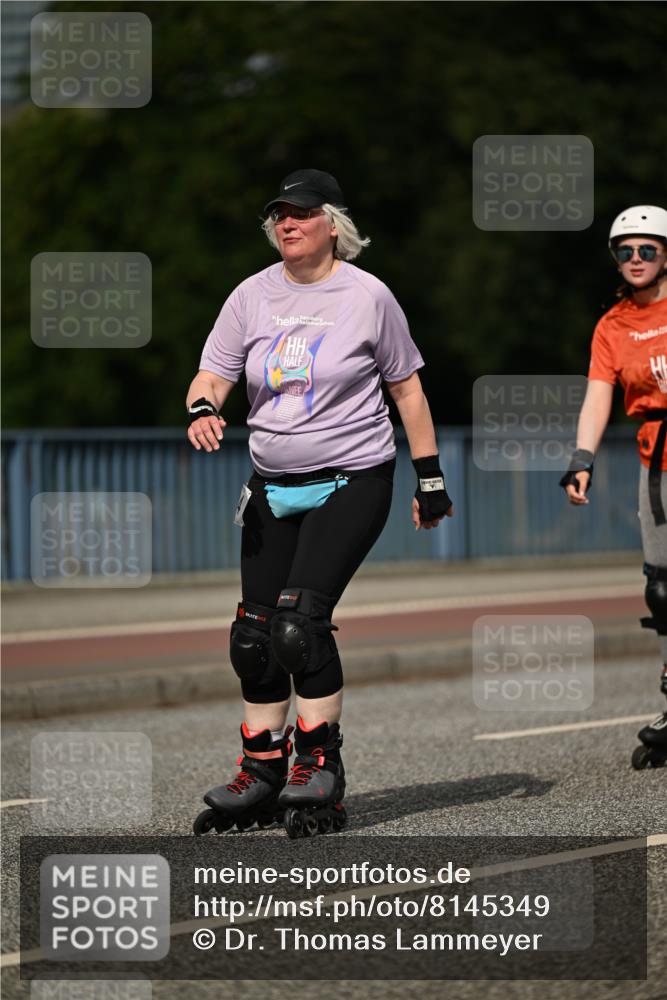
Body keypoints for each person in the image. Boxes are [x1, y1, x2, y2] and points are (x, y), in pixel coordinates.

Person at [187, 169, 453, 836]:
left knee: (297, 624)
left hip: (352, 479)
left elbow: (408, 391)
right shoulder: (251, 295)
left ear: (332, 224)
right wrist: (201, 406)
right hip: (271, 486)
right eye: (279, 213)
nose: (288, 223)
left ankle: (319, 765)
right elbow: (215, 371)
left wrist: (429, 477)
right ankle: (262, 769)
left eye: (302, 213)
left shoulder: (368, 297)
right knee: (253, 637)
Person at [560, 204, 667, 769]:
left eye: (647, 249)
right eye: (625, 250)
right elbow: (599, 395)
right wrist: (583, 459)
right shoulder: (613, 325)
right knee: (663, 591)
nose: (635, 259)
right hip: (657, 461)